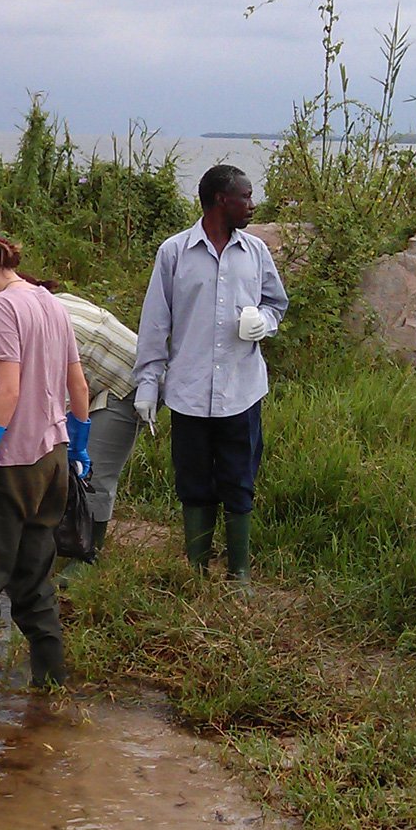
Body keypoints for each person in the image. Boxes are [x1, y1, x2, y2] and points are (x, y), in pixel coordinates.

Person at [0, 223, 91, 696]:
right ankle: (51, 690)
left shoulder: (2, 306)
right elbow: (79, 386)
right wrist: (80, 445)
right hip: (54, 461)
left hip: (13, 465)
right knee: (33, 583)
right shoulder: (50, 301)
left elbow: (7, 390)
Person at [132, 164, 288, 587]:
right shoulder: (175, 253)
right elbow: (155, 323)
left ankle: (239, 575)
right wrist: (148, 383)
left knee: (239, 480)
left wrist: (265, 322)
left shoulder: (256, 253)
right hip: (189, 390)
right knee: (194, 482)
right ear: (222, 200)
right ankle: (198, 573)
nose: (253, 206)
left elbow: (277, 303)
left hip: (242, 390)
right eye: (246, 197)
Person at [53, 292, 144, 558]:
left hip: (129, 381)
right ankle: (67, 540)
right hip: (97, 373)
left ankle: (89, 554)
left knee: (95, 469)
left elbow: (68, 391)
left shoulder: (44, 326)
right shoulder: (47, 301)